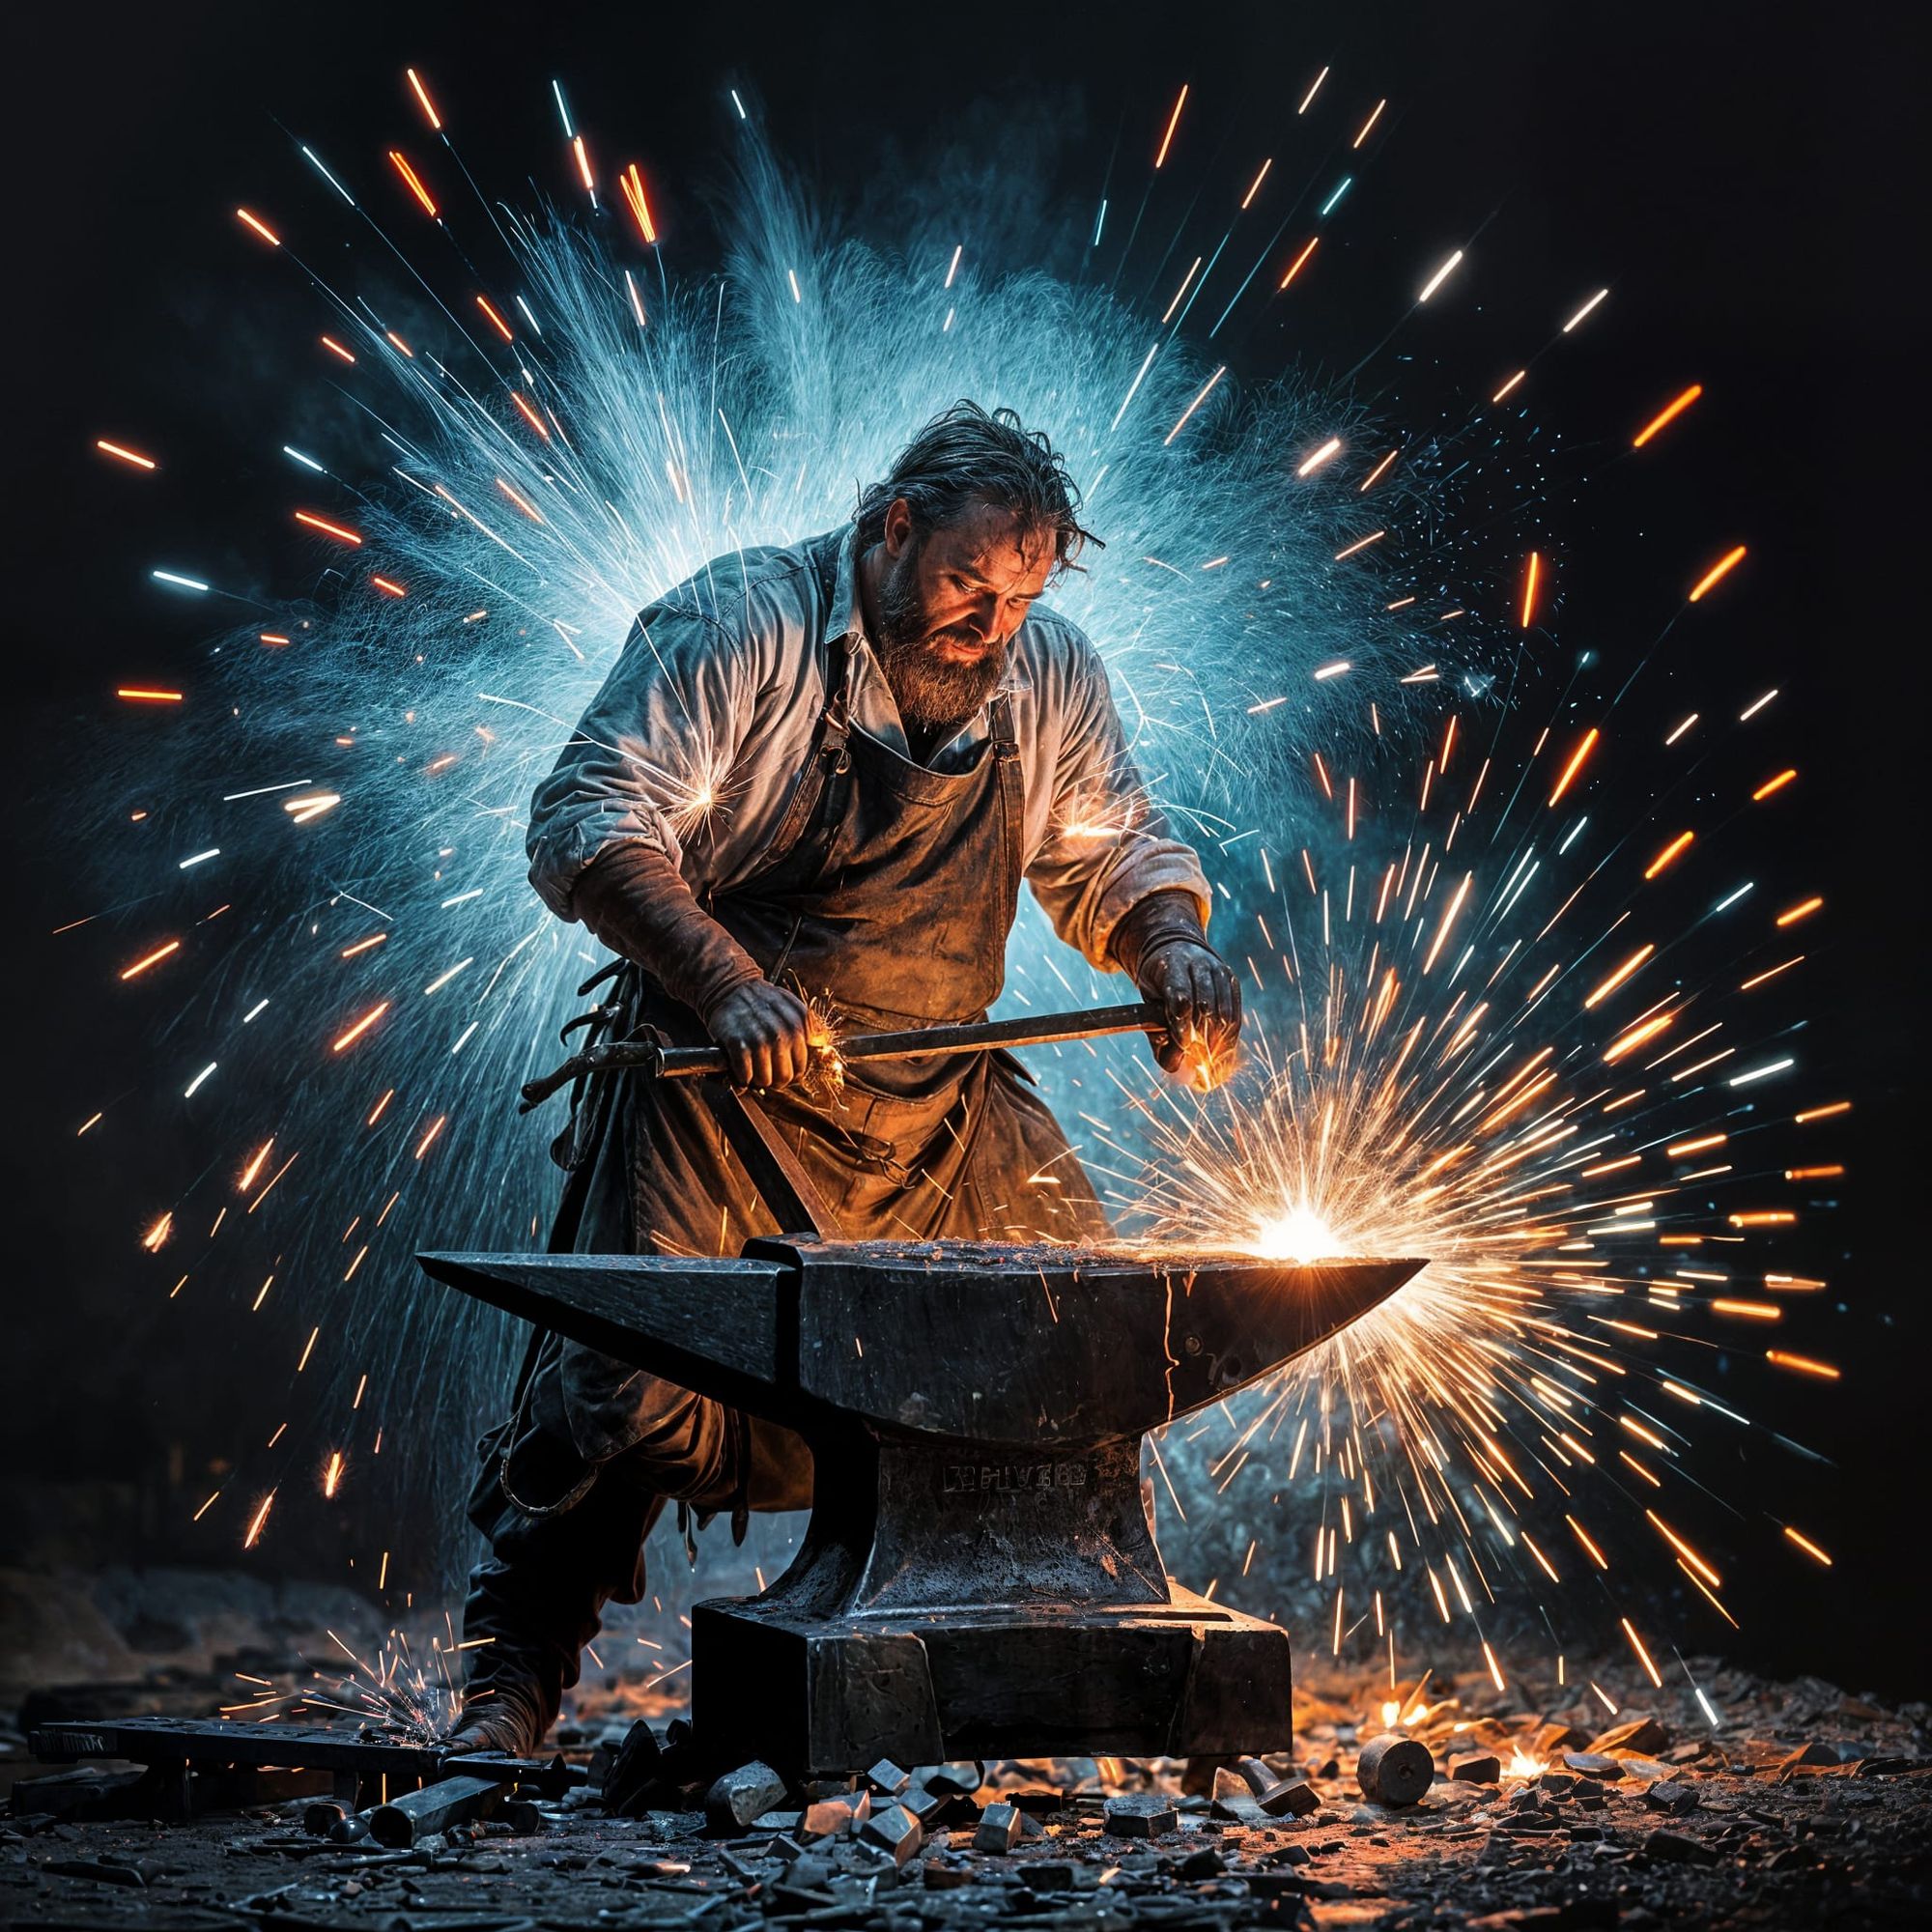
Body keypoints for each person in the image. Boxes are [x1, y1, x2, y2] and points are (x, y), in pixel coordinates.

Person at [450, 401, 1243, 1754]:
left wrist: (1171, 949)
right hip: (723, 1085)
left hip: (937, 1101)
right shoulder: (744, 623)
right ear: (891, 531)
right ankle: (508, 1685)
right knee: (621, 1384)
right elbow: (584, 818)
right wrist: (725, 983)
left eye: (1018, 600)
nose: (989, 630)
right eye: (964, 585)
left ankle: (1048, 1660)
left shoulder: (1042, 675)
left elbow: (1116, 850)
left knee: (1074, 1331)